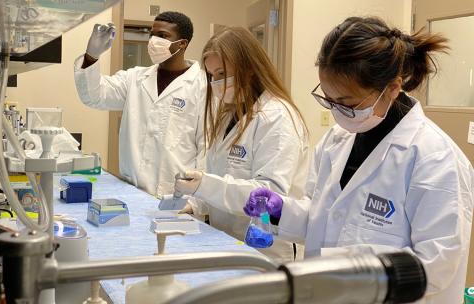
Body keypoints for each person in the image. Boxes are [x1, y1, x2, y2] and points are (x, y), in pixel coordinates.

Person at [245, 17, 473, 303]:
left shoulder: (435, 158)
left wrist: (342, 268)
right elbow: (322, 219)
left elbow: (437, 266)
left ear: (392, 87)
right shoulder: (336, 141)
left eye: (349, 103)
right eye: (329, 99)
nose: (338, 111)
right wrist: (281, 212)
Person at [174, 27, 310, 262]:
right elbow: (220, 173)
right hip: (228, 241)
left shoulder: (278, 117)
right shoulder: (229, 113)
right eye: (211, 76)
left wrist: (204, 186)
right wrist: (195, 204)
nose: (215, 83)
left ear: (248, 69)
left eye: (221, 73)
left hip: (267, 252)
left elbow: (268, 196)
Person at [74, 11, 206, 196]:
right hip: (132, 192)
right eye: (152, 34)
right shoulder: (134, 78)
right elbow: (94, 96)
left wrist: (197, 201)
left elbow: (205, 147)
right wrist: (91, 56)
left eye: (163, 36)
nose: (153, 40)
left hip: (176, 197)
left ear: (182, 43)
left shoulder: (202, 85)